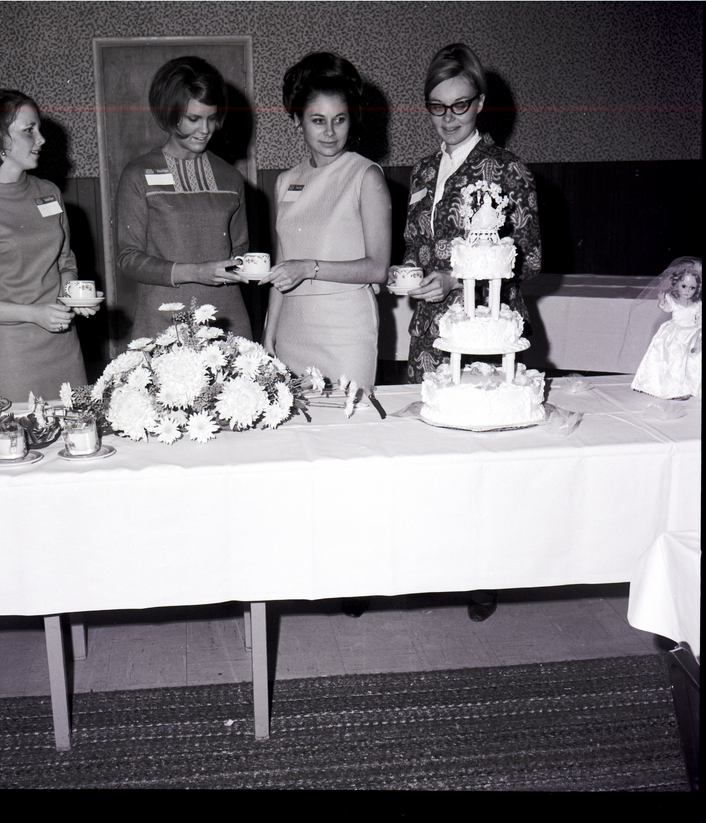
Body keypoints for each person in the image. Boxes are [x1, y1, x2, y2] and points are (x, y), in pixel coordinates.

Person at [395, 44, 542, 621]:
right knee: (428, 450)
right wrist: (409, 276)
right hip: (429, 331)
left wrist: (455, 278)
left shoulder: (507, 169)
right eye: (437, 107)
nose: (449, 117)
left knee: (478, 460)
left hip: (483, 327)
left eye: (460, 105)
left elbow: (529, 257)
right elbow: (416, 245)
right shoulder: (422, 170)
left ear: (480, 103)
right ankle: (431, 562)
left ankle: (482, 575)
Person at [0, 88, 94, 402]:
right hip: (10, 354)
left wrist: (73, 297)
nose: (42, 139)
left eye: (39, 129)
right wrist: (33, 314)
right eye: (29, 130)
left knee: (76, 425)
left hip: (63, 342)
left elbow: (64, 261)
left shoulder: (48, 192)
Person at [260, 51, 391, 390]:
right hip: (293, 329)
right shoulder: (285, 182)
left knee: (348, 419)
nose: (330, 132)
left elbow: (378, 268)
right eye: (318, 120)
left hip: (344, 331)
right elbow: (282, 266)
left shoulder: (366, 175)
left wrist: (309, 268)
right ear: (297, 120)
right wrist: (269, 331)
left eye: (340, 120)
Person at [116, 56, 252, 341]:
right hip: (165, 318)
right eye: (194, 119)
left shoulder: (230, 178)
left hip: (226, 316)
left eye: (212, 118)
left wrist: (243, 263)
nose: (205, 130)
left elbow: (240, 246)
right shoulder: (138, 174)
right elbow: (128, 259)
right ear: (169, 114)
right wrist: (195, 272)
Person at [631, 257, 702, 399]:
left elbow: (699, 318)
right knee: (673, 359)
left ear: (697, 289)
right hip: (675, 333)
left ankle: (689, 387)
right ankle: (671, 389)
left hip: (692, 333)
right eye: (684, 286)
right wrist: (662, 302)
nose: (688, 291)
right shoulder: (673, 300)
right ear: (677, 285)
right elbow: (667, 308)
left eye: (692, 288)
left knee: (692, 361)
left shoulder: (697, 304)